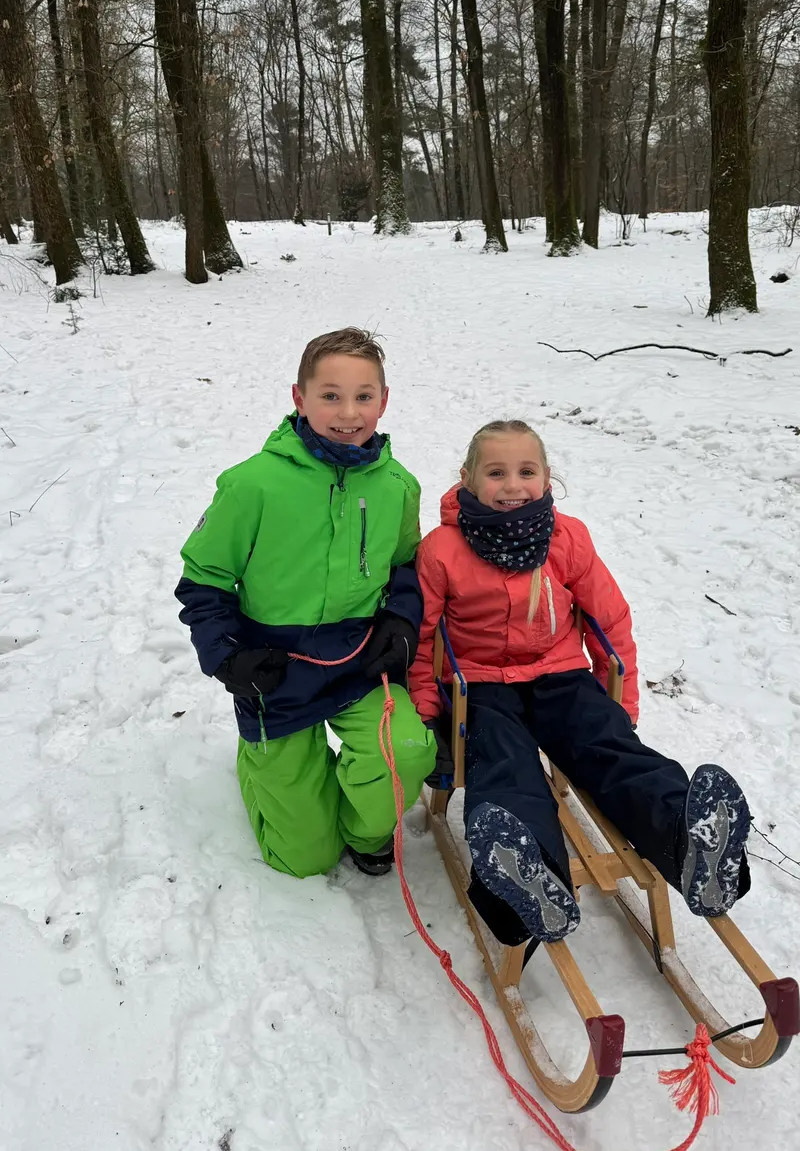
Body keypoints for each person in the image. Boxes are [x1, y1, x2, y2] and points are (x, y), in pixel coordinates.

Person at [408, 419, 751, 947]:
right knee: (505, 764)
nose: (512, 485)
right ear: (467, 479)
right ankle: (525, 882)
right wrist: (429, 716)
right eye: (496, 473)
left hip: (560, 674)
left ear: (547, 478)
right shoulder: (442, 550)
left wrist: (625, 703)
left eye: (526, 471)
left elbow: (609, 619)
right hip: (481, 685)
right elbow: (423, 634)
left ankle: (690, 841)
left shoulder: (568, 537)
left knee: (608, 745)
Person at [176, 327, 435, 879]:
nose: (349, 412)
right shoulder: (253, 485)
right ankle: (264, 764)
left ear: (383, 401)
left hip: (359, 663)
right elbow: (203, 580)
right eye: (330, 395)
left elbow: (406, 566)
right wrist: (227, 655)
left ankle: (365, 830)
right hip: (276, 674)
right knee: (304, 859)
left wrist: (400, 618)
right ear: (300, 397)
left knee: (407, 751)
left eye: (364, 396)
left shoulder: (397, 486)